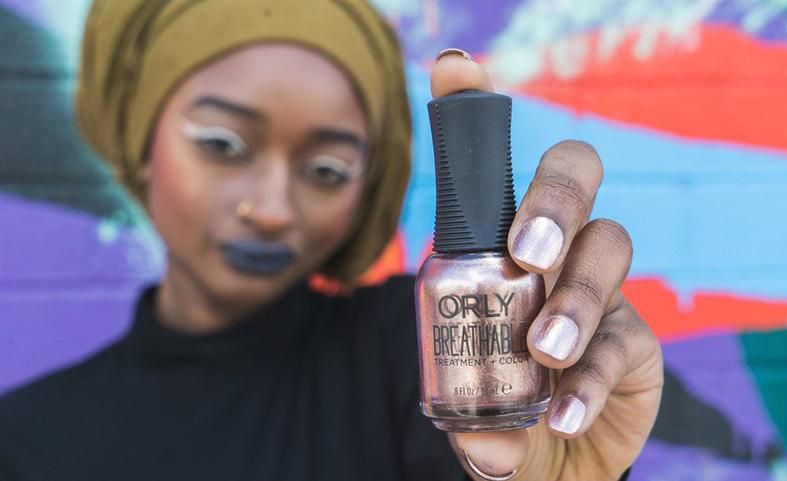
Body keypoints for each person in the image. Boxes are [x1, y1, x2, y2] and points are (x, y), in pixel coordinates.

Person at [0, 1, 664, 480]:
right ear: (139, 141)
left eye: (326, 170)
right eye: (222, 144)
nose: (270, 209)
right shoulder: (26, 440)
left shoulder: (422, 346)